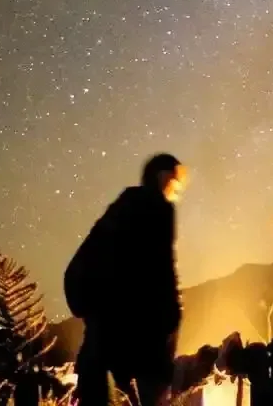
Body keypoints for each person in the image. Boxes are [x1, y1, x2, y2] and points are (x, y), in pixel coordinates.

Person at [65, 153, 188, 406]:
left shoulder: (123, 204)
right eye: (174, 179)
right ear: (162, 176)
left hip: (103, 316)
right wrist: (173, 315)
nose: (176, 187)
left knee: (100, 386)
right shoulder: (159, 207)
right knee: (146, 388)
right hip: (134, 319)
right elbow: (162, 265)